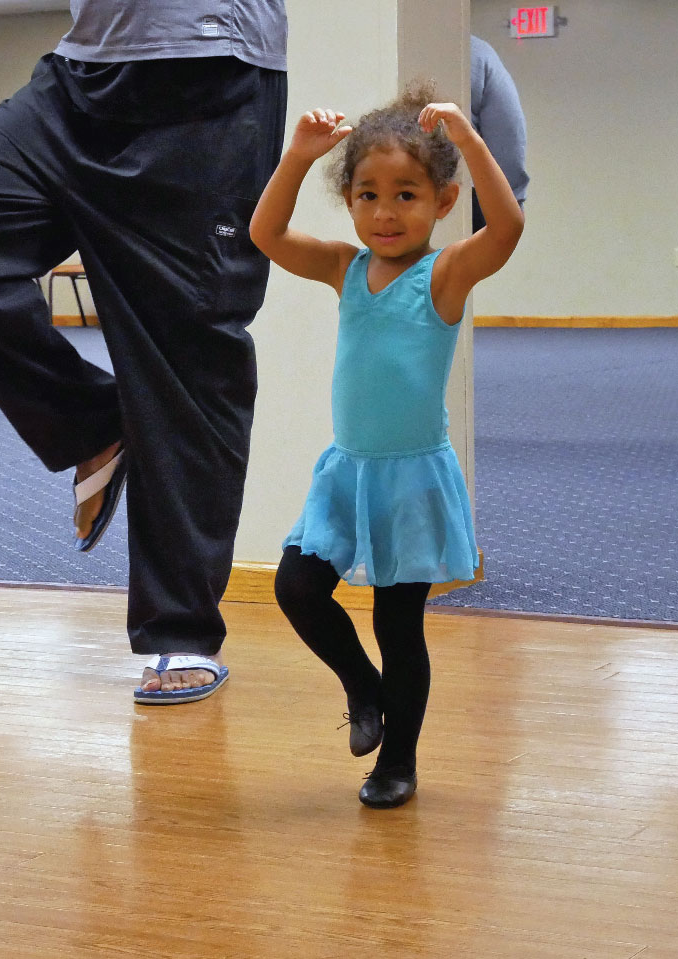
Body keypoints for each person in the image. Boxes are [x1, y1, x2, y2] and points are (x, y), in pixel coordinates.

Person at [0, 1, 286, 705]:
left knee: (188, 364)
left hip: (209, 83)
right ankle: (93, 420)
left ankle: (180, 629)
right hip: (80, 77)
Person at [245, 83, 522, 808]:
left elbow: (508, 231)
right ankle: (360, 684)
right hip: (347, 473)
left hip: (412, 480)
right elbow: (267, 236)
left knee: (399, 625)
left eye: (406, 194)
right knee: (296, 586)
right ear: (350, 204)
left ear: (443, 199)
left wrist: (472, 141)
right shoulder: (346, 269)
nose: (386, 212)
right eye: (368, 195)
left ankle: (396, 761)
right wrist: (298, 158)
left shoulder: (446, 274)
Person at [466, 35, 527, 232]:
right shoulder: (476, 52)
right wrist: (512, 206)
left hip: (389, 197)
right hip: (472, 200)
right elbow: (508, 139)